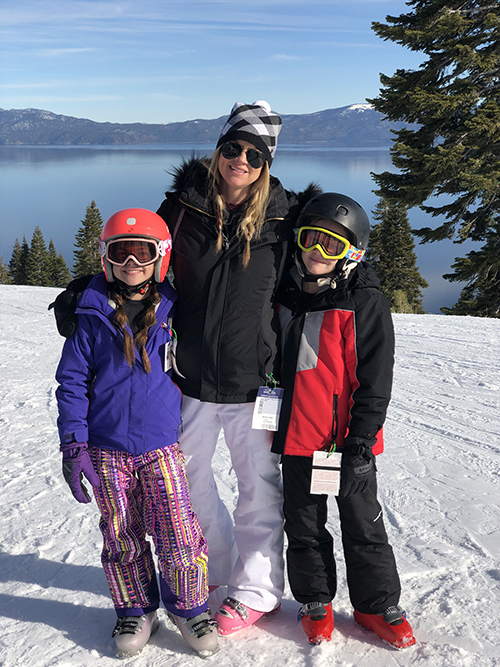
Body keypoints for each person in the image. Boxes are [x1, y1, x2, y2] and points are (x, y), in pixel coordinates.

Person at [156, 101, 314, 635]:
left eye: (254, 153)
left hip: (256, 382)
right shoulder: (183, 206)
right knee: (188, 481)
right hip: (193, 375)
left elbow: (319, 277)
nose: (240, 159)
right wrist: (91, 295)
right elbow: (144, 266)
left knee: (258, 489)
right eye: (232, 148)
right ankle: (217, 573)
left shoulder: (286, 216)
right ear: (218, 148)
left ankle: (257, 591)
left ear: (267, 161)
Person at [55, 208, 219, 659]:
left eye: (142, 253)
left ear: (160, 257)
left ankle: (190, 606)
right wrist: (74, 443)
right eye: (120, 252)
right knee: (122, 533)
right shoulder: (90, 314)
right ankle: (135, 606)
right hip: (106, 448)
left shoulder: (174, 306)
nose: (131, 263)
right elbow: (71, 382)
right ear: (106, 257)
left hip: (161, 445)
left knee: (178, 532)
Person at [271, 193, 416, 649]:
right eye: (311, 239)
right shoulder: (283, 293)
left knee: (363, 524)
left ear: (351, 254)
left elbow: (375, 381)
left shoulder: (363, 302)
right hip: (297, 439)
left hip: (343, 442)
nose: (317, 251)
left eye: (331, 245)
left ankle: (375, 604)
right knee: (304, 525)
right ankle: (315, 600)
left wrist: (360, 442)